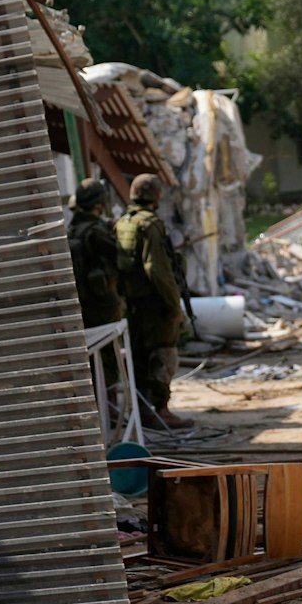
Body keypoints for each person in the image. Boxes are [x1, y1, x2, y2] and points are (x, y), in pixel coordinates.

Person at [117, 173, 194, 427]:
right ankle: (161, 409)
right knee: (164, 355)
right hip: (155, 303)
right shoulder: (150, 224)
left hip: (134, 304)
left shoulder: (124, 223)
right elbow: (157, 269)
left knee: (139, 356)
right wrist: (174, 305)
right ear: (156, 195)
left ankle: (142, 411)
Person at [67, 178, 124, 329]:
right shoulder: (97, 231)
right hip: (103, 304)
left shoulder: (72, 229)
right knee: (110, 350)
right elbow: (120, 257)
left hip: (81, 304)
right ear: (99, 204)